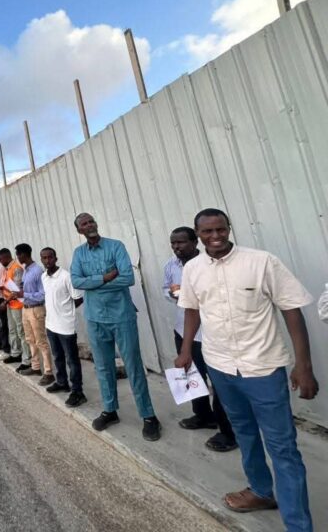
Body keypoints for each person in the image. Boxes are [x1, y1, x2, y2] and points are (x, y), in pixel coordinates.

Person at [176, 208, 318, 529]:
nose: (215, 237)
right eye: (207, 232)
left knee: (282, 446)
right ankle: (260, 491)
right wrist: (185, 351)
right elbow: (192, 310)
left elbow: (291, 310)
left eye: (220, 229)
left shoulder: (261, 262)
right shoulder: (193, 269)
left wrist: (303, 366)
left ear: (229, 228)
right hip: (220, 366)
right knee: (244, 432)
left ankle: (298, 524)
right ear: (198, 235)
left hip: (263, 368)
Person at [70, 212, 161, 441]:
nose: (89, 225)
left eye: (91, 221)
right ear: (79, 230)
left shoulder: (115, 246)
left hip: (121, 316)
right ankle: (110, 410)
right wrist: (105, 277)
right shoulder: (79, 253)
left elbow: (128, 278)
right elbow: (77, 281)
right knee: (103, 367)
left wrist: (93, 283)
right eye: (84, 224)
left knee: (133, 366)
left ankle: (148, 416)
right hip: (95, 318)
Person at [163, 226, 236, 452]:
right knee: (192, 376)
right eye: (173, 243)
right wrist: (172, 293)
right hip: (184, 331)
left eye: (181, 242)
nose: (176, 247)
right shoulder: (171, 265)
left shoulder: (209, 265)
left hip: (211, 334)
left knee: (220, 383)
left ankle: (228, 431)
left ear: (195, 242)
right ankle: (203, 416)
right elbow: (166, 289)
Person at [41, 247, 87, 407]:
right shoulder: (43, 277)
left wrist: (66, 312)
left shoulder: (66, 276)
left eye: (50, 257)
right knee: (57, 356)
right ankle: (62, 382)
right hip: (51, 325)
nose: (47, 260)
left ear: (56, 258)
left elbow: (78, 299)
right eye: (44, 258)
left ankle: (78, 392)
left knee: (72, 360)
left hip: (66, 327)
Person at [13, 243, 54, 386]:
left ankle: (48, 372)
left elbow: (42, 294)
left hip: (36, 309)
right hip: (26, 308)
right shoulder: (26, 270)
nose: (17, 258)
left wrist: (24, 294)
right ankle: (36, 367)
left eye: (18, 255)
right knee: (30, 339)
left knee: (41, 341)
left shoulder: (37, 271)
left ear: (24, 254)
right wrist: (19, 291)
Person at [0, 248, 28, 368]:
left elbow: (17, 290)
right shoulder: (7, 268)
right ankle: (15, 353)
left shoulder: (16, 268)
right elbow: (9, 286)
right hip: (10, 304)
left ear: (7, 257)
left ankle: (26, 358)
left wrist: (5, 302)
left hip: (17, 305)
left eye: (0, 259)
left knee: (21, 332)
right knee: (12, 330)